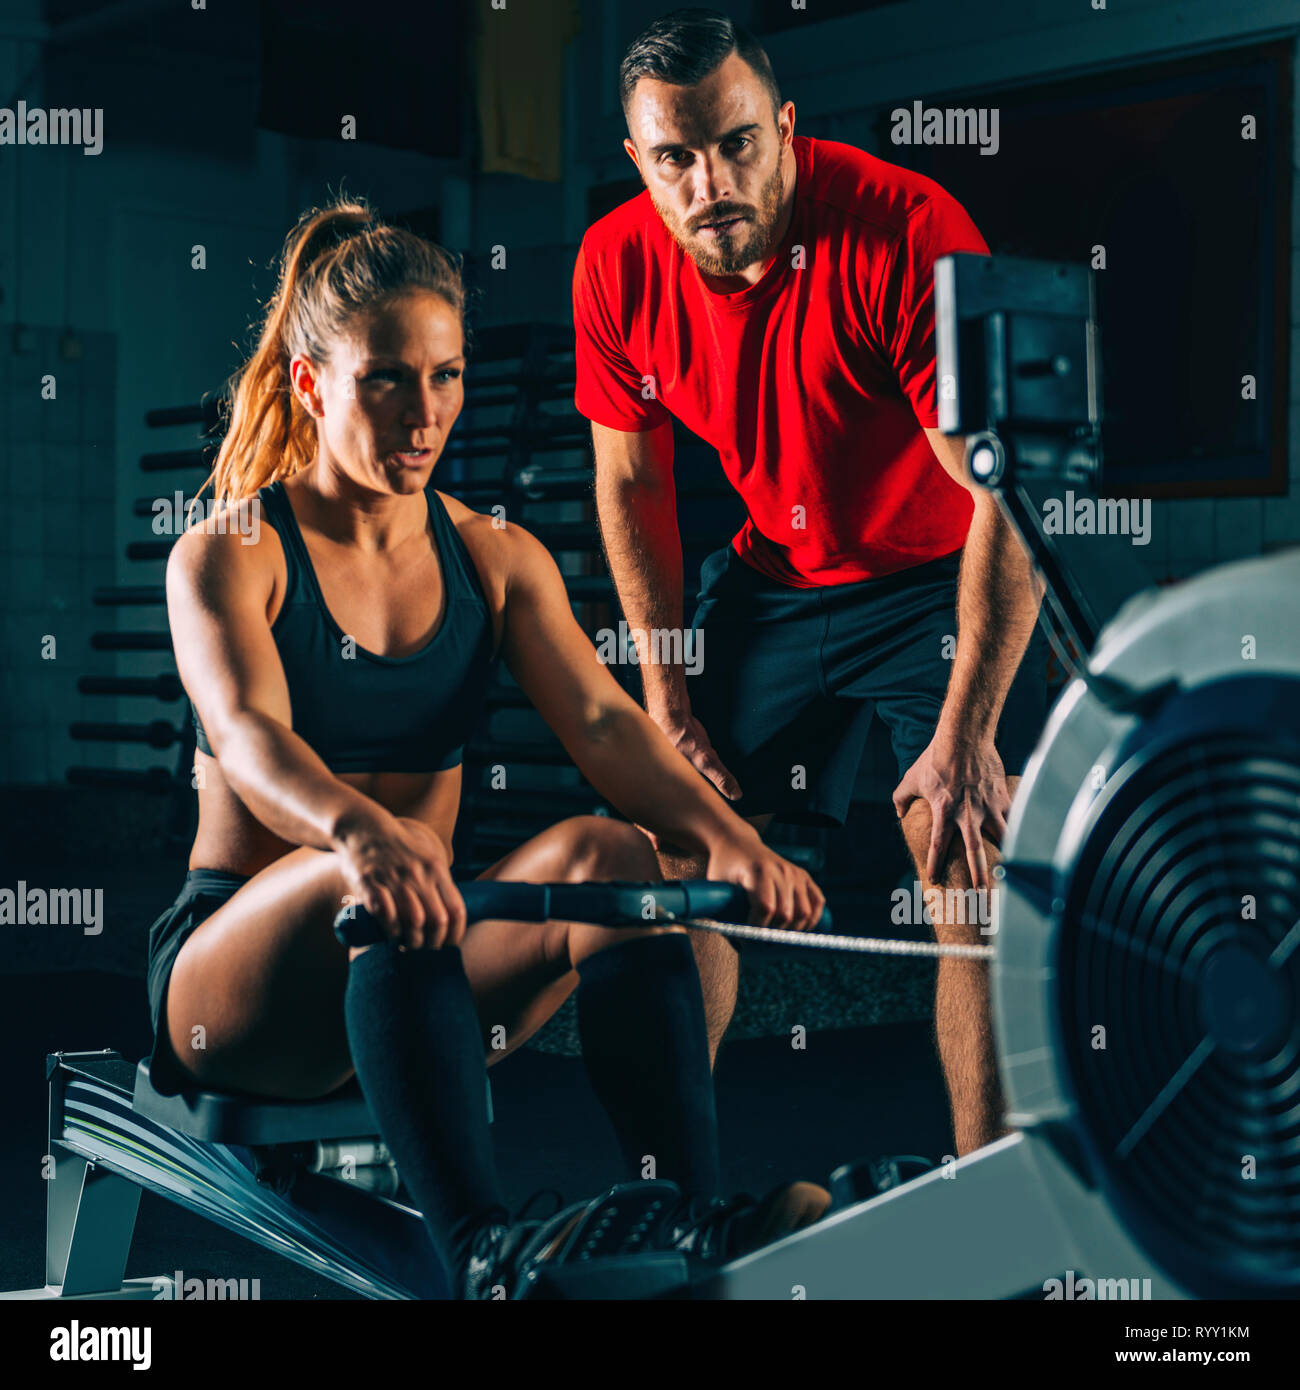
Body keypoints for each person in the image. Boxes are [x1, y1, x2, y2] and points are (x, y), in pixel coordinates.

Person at [146, 196, 830, 1300]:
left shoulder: (495, 556)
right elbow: (247, 731)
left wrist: (728, 840)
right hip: (237, 993)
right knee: (366, 868)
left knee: (613, 852)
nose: (424, 413)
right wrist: (363, 832)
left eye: (445, 377)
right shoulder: (231, 551)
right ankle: (477, 1251)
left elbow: (607, 722)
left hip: (417, 957)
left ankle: (699, 1221)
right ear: (313, 383)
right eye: (385, 379)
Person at [573, 8, 1050, 1155]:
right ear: (639, 164)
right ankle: (673, 1199)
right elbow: (633, 487)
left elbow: (1009, 498)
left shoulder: (906, 233)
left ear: (784, 130)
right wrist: (665, 700)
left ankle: (986, 1208)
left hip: (942, 575)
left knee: (967, 867)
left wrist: (968, 732)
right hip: (777, 580)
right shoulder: (615, 264)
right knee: (674, 850)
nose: (711, 182)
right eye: (675, 158)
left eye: (737, 144)